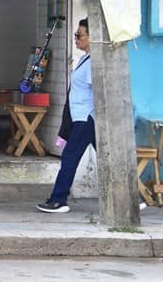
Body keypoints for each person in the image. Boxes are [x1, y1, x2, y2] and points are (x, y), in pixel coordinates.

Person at [36, 18, 94, 213]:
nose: (76, 38)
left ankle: (59, 199)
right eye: (75, 35)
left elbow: (100, 93)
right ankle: (130, 200)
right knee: (107, 158)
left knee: (69, 157)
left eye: (79, 35)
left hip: (86, 118)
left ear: (92, 37)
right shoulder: (85, 58)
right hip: (81, 117)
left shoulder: (94, 63)